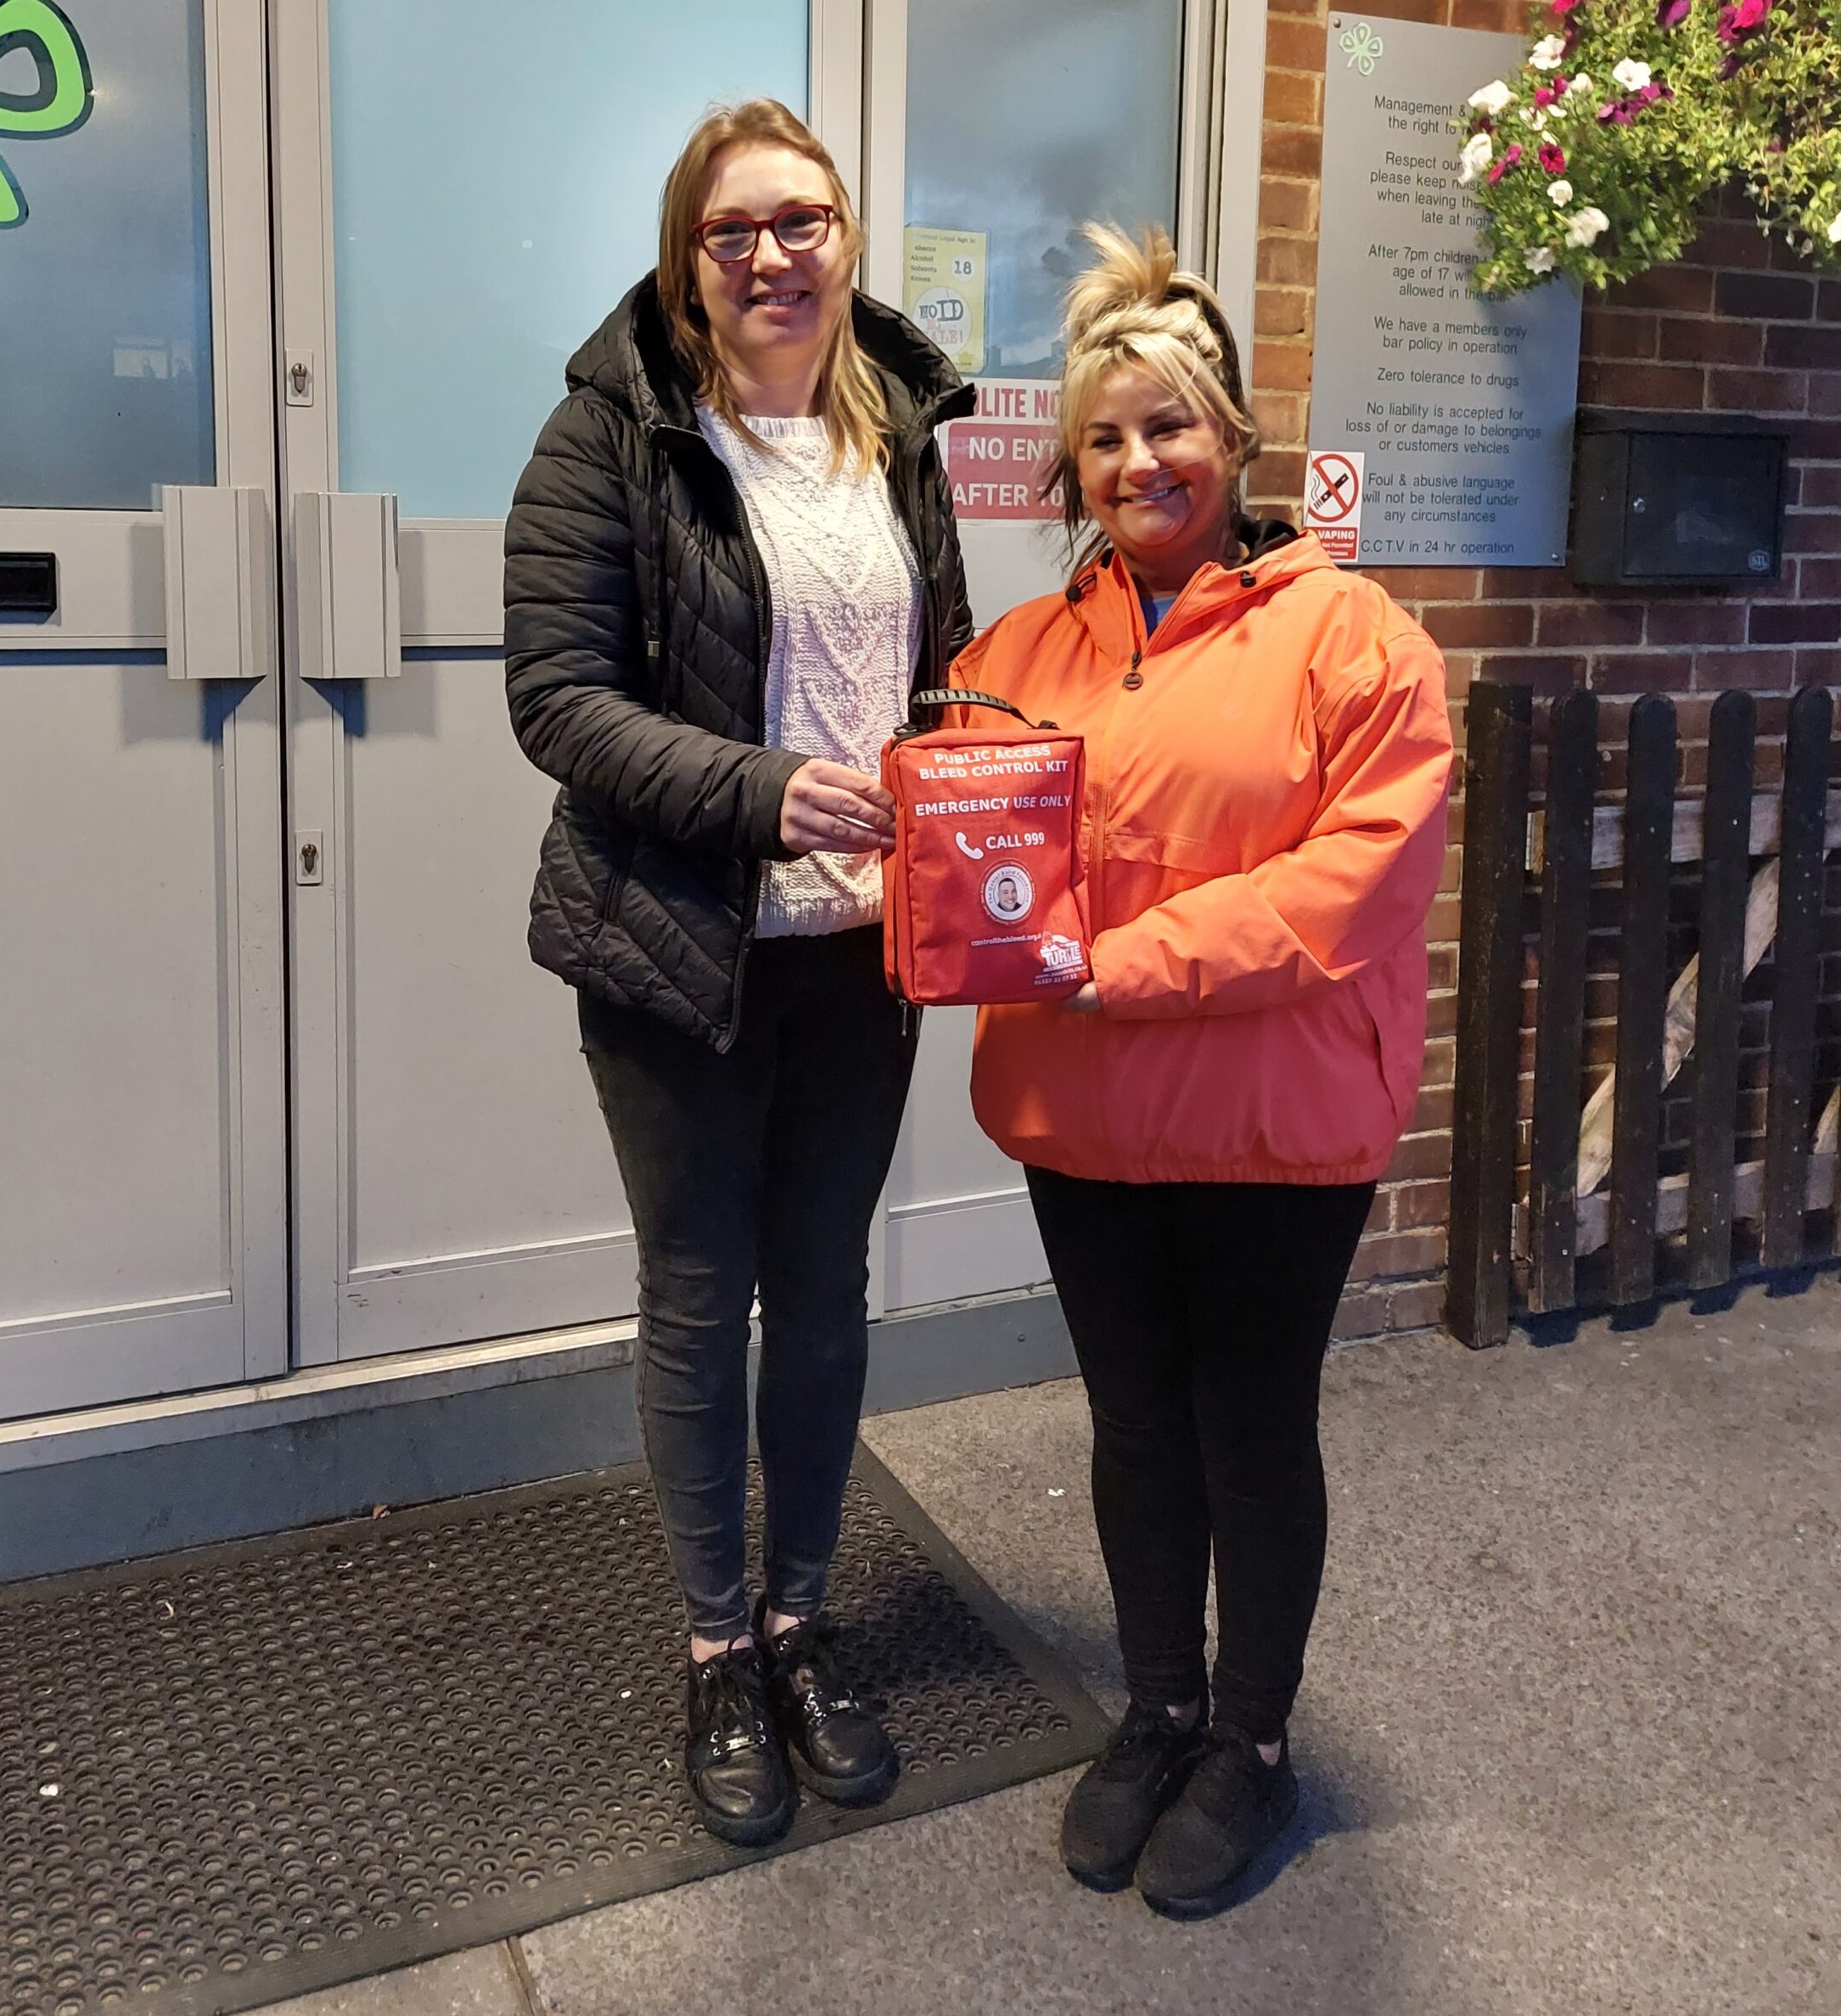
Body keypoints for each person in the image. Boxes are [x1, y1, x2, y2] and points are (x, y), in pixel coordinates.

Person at [950, 224, 1452, 1918]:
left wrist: (1120, 962)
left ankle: (1248, 1742)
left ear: (1230, 435)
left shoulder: (1355, 641)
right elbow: (969, 864)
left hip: (1269, 1115)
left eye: (1166, 425)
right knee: (1133, 1427)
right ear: (1069, 467)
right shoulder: (1015, 655)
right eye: (1103, 436)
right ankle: (1156, 1706)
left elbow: (1354, 880)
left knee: (1247, 1430)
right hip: (1079, 1117)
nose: (1137, 461)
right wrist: (902, 873)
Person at [502, 99, 973, 1847]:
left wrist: (969, 781)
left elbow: (941, 662)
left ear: (846, 239)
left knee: (827, 1291)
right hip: (677, 944)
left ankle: (799, 1623)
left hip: (865, 952)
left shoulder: (893, 433)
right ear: (686, 253)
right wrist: (768, 796)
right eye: (735, 230)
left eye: (805, 222)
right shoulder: (610, 431)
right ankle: (713, 1645)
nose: (774, 255)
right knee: (700, 1298)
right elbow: (557, 702)